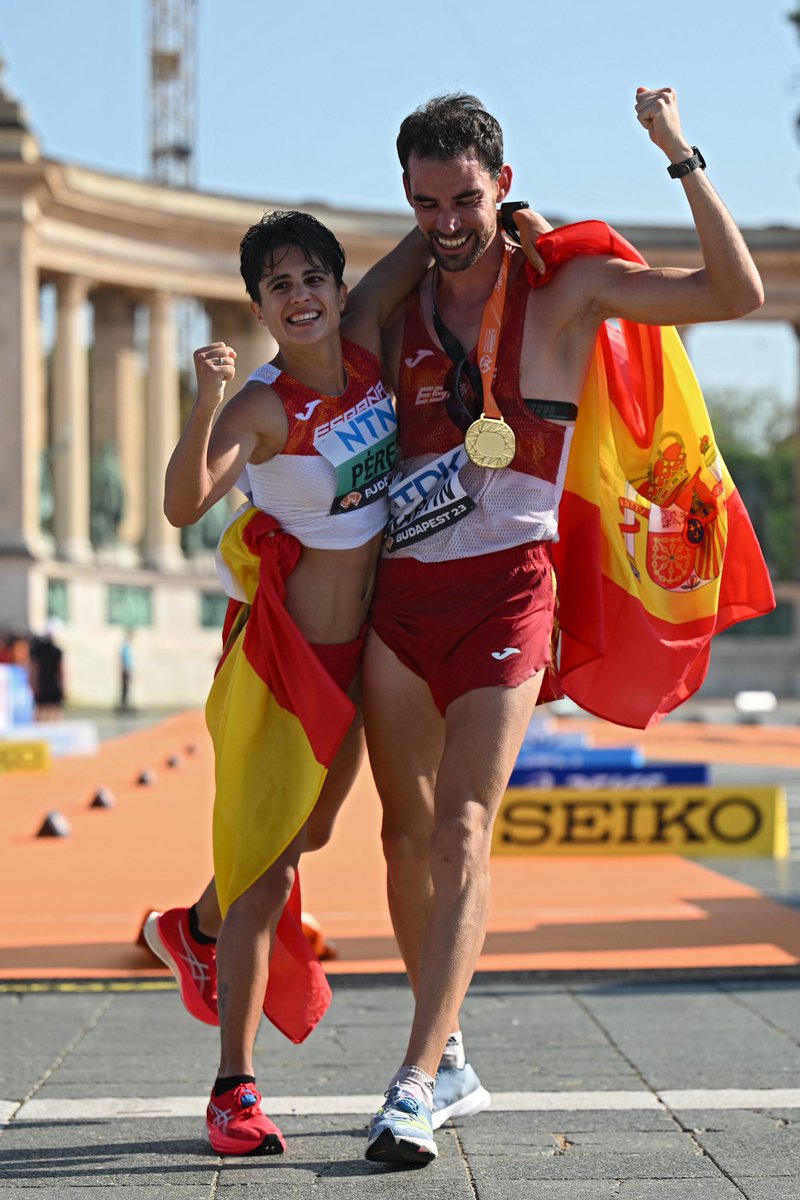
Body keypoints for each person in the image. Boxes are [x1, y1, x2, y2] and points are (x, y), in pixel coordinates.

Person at [361, 87, 769, 1165]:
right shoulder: (398, 300)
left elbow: (734, 291)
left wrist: (676, 150)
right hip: (398, 601)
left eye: (463, 198)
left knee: (459, 829)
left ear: (501, 183)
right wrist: (426, 248)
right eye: (423, 201)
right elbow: (337, 330)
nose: (445, 220)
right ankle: (450, 1058)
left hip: (507, 589)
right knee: (399, 838)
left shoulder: (568, 287)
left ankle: (409, 1079)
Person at [150, 210, 431, 1158]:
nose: (301, 295)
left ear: (339, 288)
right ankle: (233, 1088)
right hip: (283, 666)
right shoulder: (259, 406)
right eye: (279, 285)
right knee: (269, 866)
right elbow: (185, 504)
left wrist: (526, 225)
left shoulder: (363, 346)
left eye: (314, 277)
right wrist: (206, 401)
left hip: (362, 653)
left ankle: (194, 926)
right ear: (259, 306)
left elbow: (430, 244)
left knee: (309, 833)